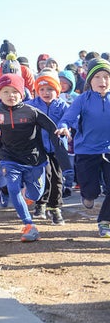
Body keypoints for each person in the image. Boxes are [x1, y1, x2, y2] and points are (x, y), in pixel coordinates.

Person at [0, 74, 72, 242]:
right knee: (14, 189)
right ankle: (29, 225)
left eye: (14, 91)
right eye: (5, 92)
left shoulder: (31, 112)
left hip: (35, 160)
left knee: (36, 194)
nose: (10, 95)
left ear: (22, 93)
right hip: (10, 158)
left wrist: (65, 164)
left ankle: (27, 197)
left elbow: (53, 130)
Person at [56, 58, 110, 237]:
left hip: (108, 150)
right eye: (98, 77)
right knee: (91, 192)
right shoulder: (82, 99)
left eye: (107, 77)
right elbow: (68, 118)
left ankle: (105, 222)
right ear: (89, 80)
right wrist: (64, 126)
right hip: (86, 151)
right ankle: (87, 195)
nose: (103, 81)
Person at [27, 69, 69, 225]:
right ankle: (40, 203)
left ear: (57, 90)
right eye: (42, 89)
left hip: (57, 148)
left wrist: (67, 129)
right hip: (39, 148)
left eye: (50, 89)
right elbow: (18, 116)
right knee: (44, 175)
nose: (46, 92)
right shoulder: (31, 105)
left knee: (57, 178)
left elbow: (72, 120)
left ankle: (55, 208)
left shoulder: (63, 105)